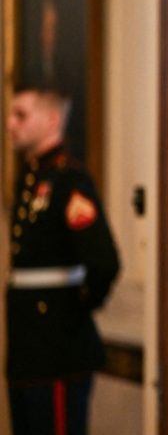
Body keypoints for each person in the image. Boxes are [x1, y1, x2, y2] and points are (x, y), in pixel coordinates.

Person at [5, 85, 119, 434]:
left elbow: (104, 262)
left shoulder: (69, 179)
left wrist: (73, 310)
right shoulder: (32, 175)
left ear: (52, 120)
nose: (10, 124)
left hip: (57, 346)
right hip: (27, 346)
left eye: (21, 115)